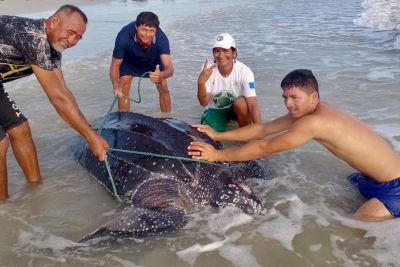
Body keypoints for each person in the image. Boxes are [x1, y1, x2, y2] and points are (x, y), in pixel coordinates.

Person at [188, 69, 400, 221]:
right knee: (345, 190)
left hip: (396, 188)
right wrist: (218, 135)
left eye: (294, 97)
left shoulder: (313, 122)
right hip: (369, 179)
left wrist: (217, 156)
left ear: (313, 96)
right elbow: (263, 129)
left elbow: (264, 148)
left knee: (354, 226)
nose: (288, 103)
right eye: (285, 97)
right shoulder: (311, 110)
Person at [0, 5, 108, 200]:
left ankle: (36, 191)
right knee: (0, 143)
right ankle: (4, 208)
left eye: (78, 37)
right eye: (70, 32)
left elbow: (64, 93)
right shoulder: (33, 37)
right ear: (54, 21)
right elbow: (56, 98)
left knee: (20, 128)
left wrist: (91, 131)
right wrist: (90, 138)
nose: (73, 40)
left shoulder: (53, 50)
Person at [110, 11, 173, 112]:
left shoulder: (162, 39)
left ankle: (167, 118)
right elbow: (114, 65)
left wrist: (160, 75)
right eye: (144, 30)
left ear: (156, 30)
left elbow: (170, 69)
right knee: (123, 85)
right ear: (136, 27)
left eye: (151, 31)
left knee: (163, 84)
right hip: (130, 59)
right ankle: (124, 119)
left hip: (153, 59)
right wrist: (115, 86)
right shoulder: (124, 36)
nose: (147, 35)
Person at [197, 33, 261, 132]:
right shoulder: (207, 68)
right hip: (216, 110)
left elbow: (252, 103)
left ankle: (246, 136)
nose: (221, 55)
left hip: (236, 109)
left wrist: (260, 130)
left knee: (241, 103)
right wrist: (200, 82)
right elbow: (203, 102)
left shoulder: (245, 71)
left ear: (234, 52)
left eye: (225, 50)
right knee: (208, 134)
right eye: (216, 51)